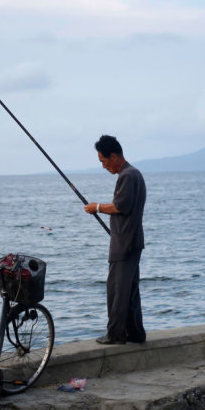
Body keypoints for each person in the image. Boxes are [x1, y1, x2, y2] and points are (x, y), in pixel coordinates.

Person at [84, 134, 147, 345]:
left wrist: (97, 208)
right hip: (132, 241)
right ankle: (136, 334)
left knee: (117, 291)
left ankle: (115, 335)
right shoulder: (135, 174)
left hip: (124, 244)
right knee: (130, 290)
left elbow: (120, 207)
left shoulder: (127, 176)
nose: (103, 166)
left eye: (103, 161)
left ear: (113, 156)